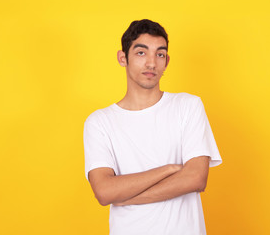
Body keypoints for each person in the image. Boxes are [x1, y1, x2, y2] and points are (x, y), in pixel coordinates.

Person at [83, 19, 222, 235]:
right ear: (123, 58)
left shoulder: (188, 105)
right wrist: (168, 169)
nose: (151, 63)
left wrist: (127, 197)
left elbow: (196, 178)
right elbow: (104, 191)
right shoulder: (100, 122)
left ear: (167, 61)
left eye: (159, 54)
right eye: (141, 53)